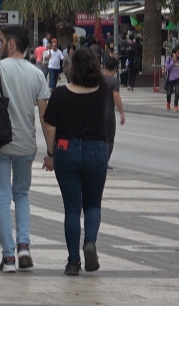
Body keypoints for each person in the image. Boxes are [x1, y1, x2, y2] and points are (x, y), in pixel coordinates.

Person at [0, 25, 50, 273]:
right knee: (22, 194)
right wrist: (50, 151)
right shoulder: (37, 74)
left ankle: (8, 257)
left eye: (1, 40)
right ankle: (24, 246)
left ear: (11, 44)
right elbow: (44, 116)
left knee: (2, 197)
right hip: (26, 145)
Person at [42, 47, 108, 276]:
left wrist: (50, 155)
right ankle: (90, 241)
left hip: (66, 150)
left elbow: (50, 127)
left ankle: (72, 262)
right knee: (93, 204)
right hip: (96, 150)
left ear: (71, 67)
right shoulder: (103, 90)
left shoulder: (60, 94)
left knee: (71, 209)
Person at [102, 58, 125, 170]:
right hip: (108, 113)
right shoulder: (114, 82)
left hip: (96, 112)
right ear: (115, 69)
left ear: (104, 67)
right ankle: (104, 161)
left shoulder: (98, 79)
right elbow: (116, 96)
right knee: (109, 139)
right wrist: (121, 113)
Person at [165, 45, 179, 112]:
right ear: (174, 53)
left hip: (177, 78)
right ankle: (168, 102)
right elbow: (167, 67)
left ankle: (176, 106)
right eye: (177, 53)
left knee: (177, 92)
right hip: (170, 78)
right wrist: (173, 62)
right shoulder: (168, 59)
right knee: (169, 93)